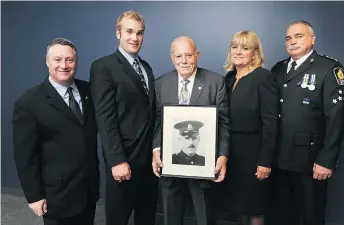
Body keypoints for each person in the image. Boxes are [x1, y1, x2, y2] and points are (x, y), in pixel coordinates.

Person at [268, 20, 344, 225]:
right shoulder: (277, 69)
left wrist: (326, 159)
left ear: (312, 39)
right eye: (288, 38)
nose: (292, 41)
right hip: (278, 158)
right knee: (280, 215)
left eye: (298, 36)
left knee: (309, 215)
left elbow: (337, 116)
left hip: (310, 160)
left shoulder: (329, 68)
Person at [12, 37, 99, 225]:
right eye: (57, 59)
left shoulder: (89, 91)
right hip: (57, 195)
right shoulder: (29, 103)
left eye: (70, 60)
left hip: (88, 189)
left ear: (76, 62)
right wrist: (34, 196)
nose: (64, 65)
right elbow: (25, 156)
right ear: (47, 61)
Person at [151, 36, 230, 225]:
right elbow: (157, 122)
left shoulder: (215, 82)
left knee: (205, 218)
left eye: (188, 55)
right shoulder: (160, 84)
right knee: (171, 218)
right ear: (172, 58)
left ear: (197, 55)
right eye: (179, 56)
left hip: (204, 164)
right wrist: (156, 150)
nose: (184, 61)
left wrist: (223, 155)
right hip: (170, 164)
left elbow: (224, 122)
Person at [89, 10, 157, 225]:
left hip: (149, 162)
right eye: (129, 31)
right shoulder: (103, 67)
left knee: (146, 217)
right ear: (118, 33)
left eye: (139, 33)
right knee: (118, 219)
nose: (134, 38)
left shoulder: (146, 67)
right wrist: (117, 160)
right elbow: (104, 117)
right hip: (123, 159)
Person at [221, 30, 279, 225]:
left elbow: (271, 123)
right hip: (232, 154)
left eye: (244, 48)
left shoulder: (264, 78)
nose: (238, 52)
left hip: (255, 155)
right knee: (239, 207)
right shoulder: (228, 79)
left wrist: (265, 161)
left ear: (255, 53)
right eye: (235, 47)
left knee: (254, 209)